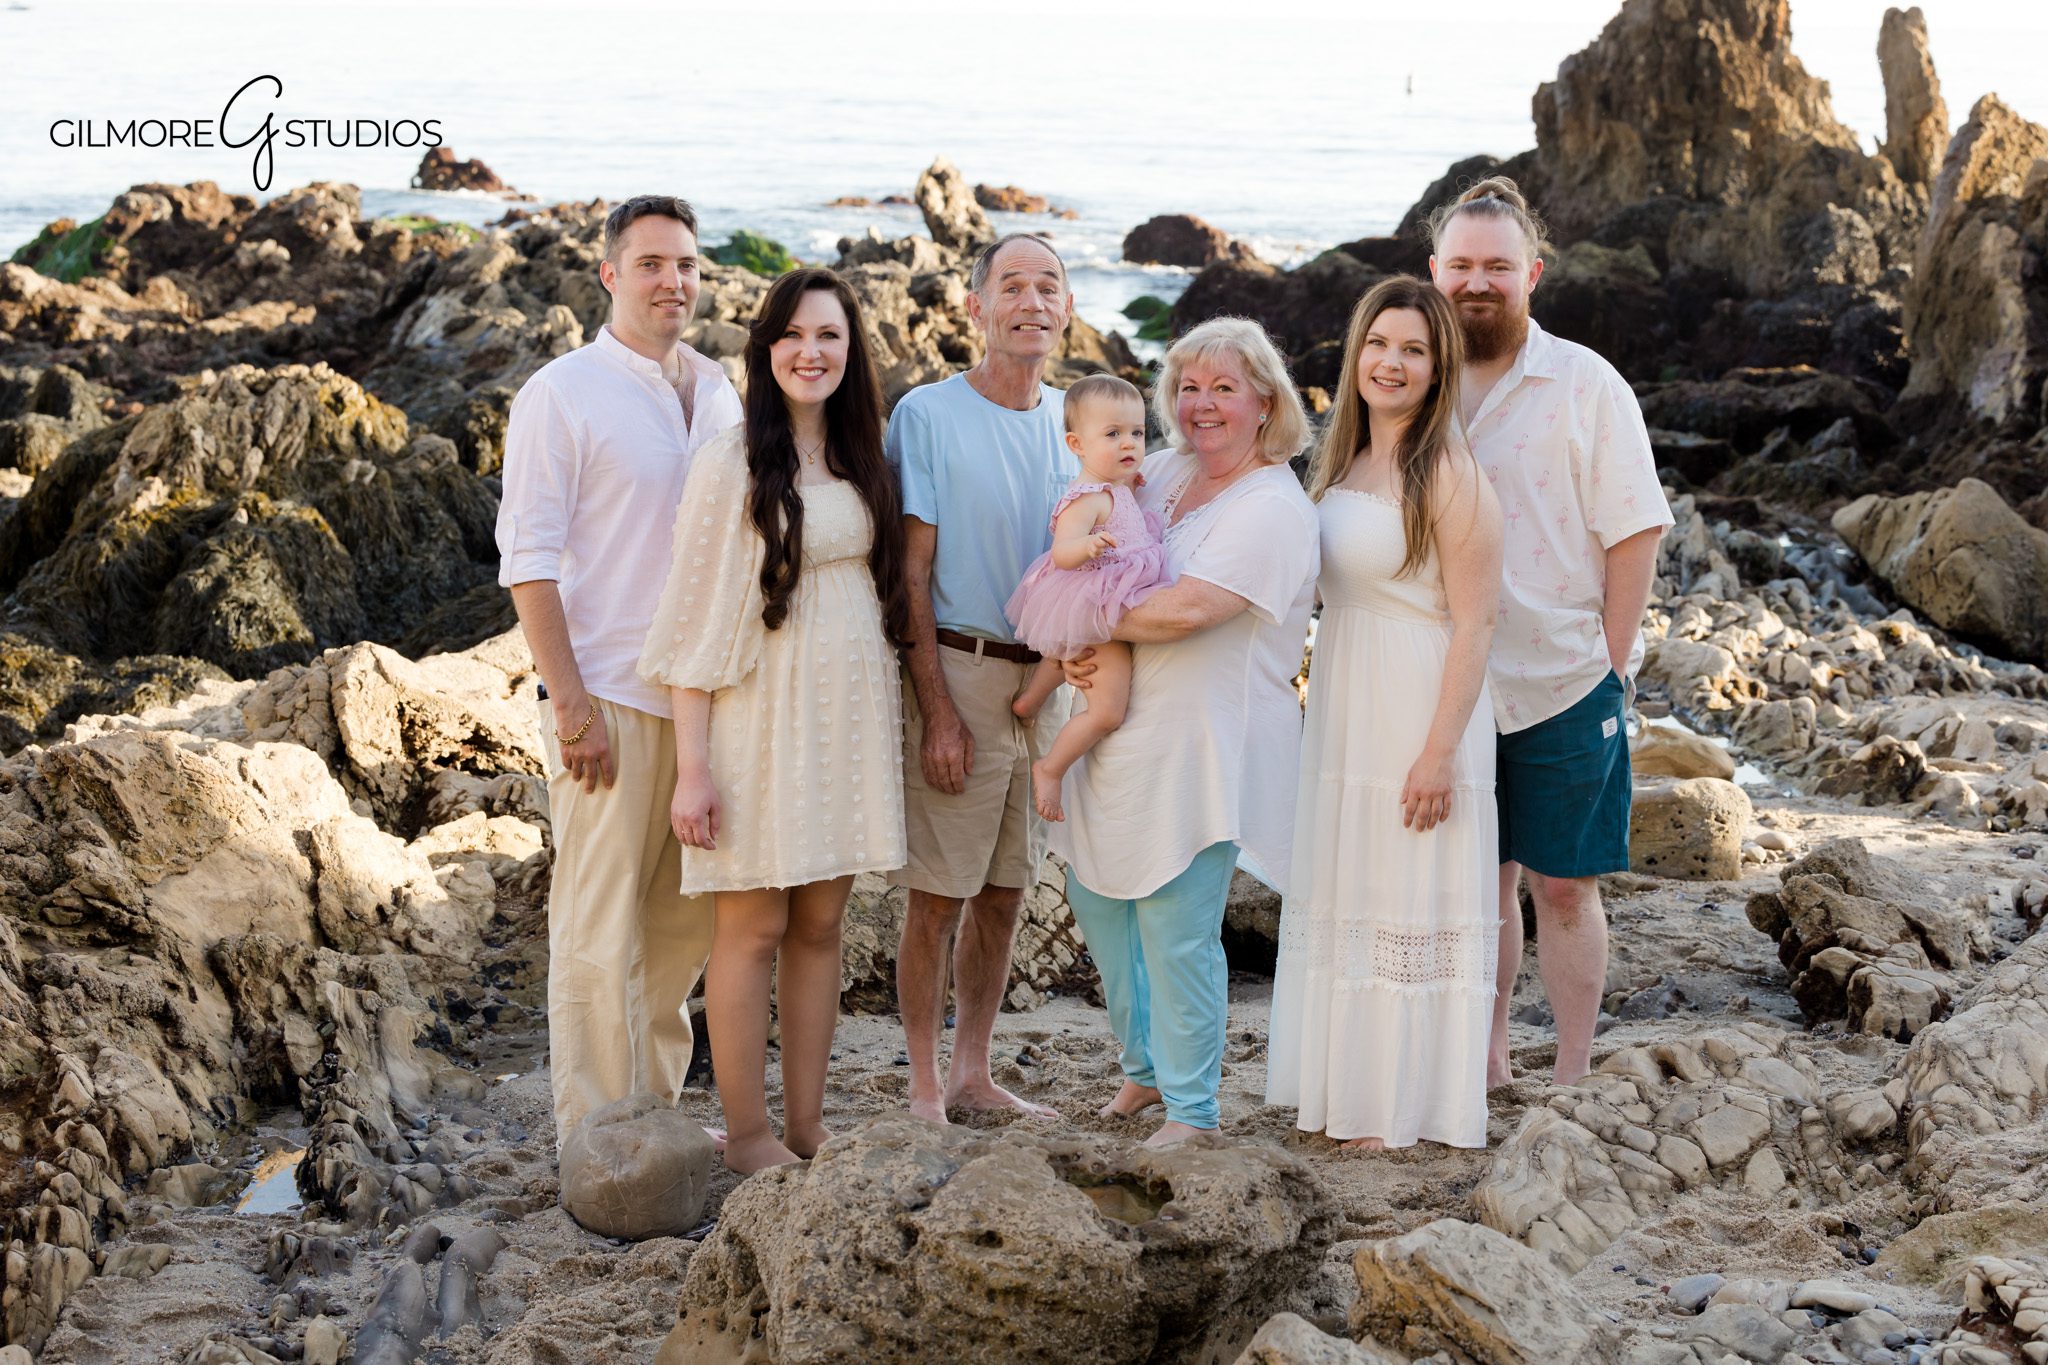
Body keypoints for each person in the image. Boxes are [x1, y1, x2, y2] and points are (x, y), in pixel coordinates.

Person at [639, 268, 910, 1172]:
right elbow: (689, 624)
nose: (811, 352)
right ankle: (748, 1134)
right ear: (765, 350)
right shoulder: (729, 463)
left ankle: (805, 1126)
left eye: (829, 336)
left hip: (844, 724)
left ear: (850, 351)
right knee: (750, 927)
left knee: (822, 926)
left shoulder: (863, 452)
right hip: (758, 720)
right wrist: (694, 768)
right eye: (793, 335)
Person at [496, 194, 744, 1148]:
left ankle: (659, 1118)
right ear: (609, 275)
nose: (671, 281)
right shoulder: (562, 393)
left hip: (704, 705)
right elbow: (530, 558)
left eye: (685, 264)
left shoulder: (720, 392)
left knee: (681, 931)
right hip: (606, 693)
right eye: (650, 263)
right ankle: (597, 1140)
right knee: (599, 932)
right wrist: (568, 704)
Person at [1427, 177, 1673, 1087]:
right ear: (1434, 271)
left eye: (1497, 265)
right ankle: (1485, 1062)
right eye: (1461, 265)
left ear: (1532, 272)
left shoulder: (1584, 383)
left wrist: (1610, 666)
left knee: (1564, 886)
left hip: (1564, 679)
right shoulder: (1413, 377)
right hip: (1447, 681)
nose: (1477, 281)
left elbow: (1636, 528)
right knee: (1477, 889)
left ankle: (1571, 1072)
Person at [1057, 317, 1319, 1147]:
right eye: (1189, 387)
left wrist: (1080, 616)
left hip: (1206, 744)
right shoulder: (1161, 471)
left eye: (1223, 388)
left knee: (1177, 928)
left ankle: (1192, 1108)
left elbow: (1188, 609)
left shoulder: (1275, 505)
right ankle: (1142, 1070)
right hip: (1117, 734)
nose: (1201, 404)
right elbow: (1087, 541)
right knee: (1099, 905)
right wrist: (1077, 633)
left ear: (1266, 401)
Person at [1265, 277, 1505, 1151]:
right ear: (1356, 353)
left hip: (1418, 702)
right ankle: (1347, 1089)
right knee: (1352, 884)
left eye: (1412, 349)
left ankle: (1399, 1106)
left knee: (1406, 893)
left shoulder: (1448, 471)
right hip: (1345, 693)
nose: (1391, 363)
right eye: (1378, 344)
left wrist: (1440, 752)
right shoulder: (1344, 458)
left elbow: (1477, 621)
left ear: (1439, 365)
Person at [888, 233, 1079, 1125]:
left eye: (1049, 287)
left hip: (1046, 688)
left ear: (1068, 310)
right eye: (1013, 286)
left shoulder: (1077, 424)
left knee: (1007, 892)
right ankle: (924, 1084)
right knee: (938, 894)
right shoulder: (927, 415)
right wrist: (936, 712)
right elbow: (910, 576)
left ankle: (974, 1072)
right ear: (976, 307)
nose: (1032, 302)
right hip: (960, 673)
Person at [1004, 374, 1173, 822]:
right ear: (1077, 444)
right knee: (1107, 711)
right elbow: (1062, 552)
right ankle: (1051, 768)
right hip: (1095, 593)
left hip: (1097, 593)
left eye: (1137, 432)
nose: (1130, 443)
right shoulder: (1088, 498)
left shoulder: (1114, 487)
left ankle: (1029, 702)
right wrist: (1089, 547)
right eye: (1113, 434)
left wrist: (1127, 486)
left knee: (1065, 652)